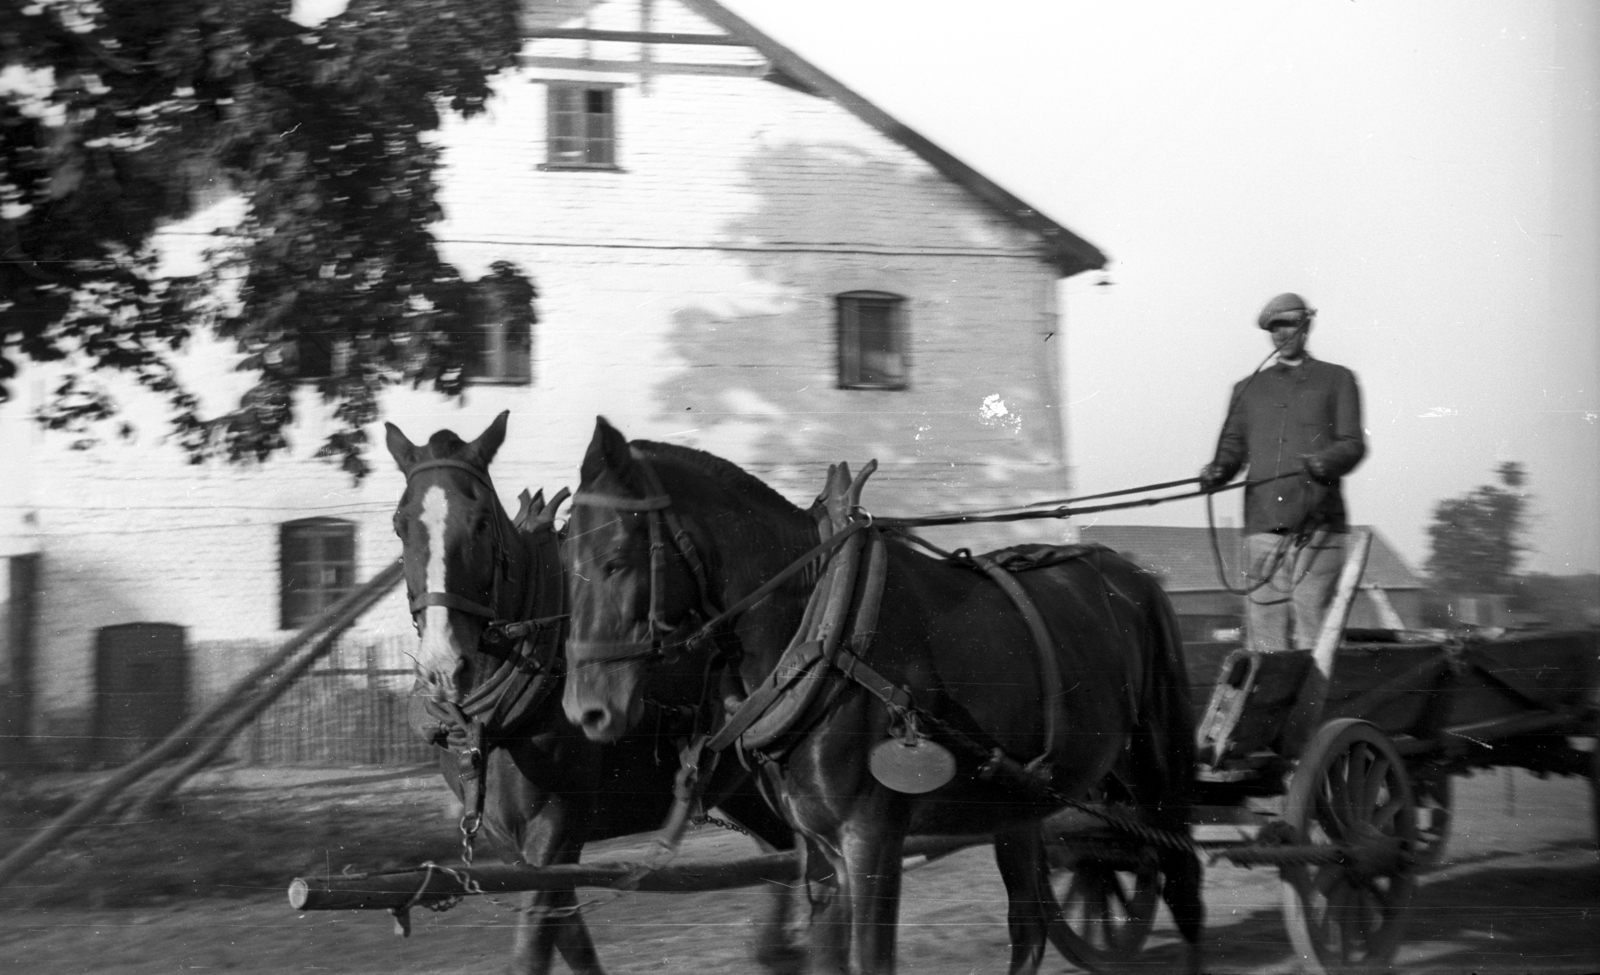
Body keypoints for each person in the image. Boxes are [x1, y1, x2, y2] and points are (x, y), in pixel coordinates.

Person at [1199, 293, 1366, 653]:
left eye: (1289, 324)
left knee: (1315, 628)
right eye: (1275, 327)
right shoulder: (1246, 389)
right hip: (1263, 525)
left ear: (1306, 326)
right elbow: (1231, 450)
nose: (1282, 334)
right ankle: (1273, 706)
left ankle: (1318, 705)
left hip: (1319, 525)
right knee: (1265, 634)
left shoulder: (1337, 379)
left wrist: (1326, 461)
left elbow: (1353, 444)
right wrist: (1217, 471)